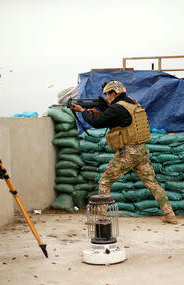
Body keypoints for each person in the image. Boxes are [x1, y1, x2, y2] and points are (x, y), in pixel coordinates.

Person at [72, 80, 177, 224]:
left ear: (114, 93)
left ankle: (101, 217)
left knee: (105, 181)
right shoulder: (132, 103)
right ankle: (170, 215)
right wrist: (98, 113)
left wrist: (83, 112)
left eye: (107, 95)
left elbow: (98, 123)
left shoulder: (117, 108)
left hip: (128, 152)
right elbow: (117, 121)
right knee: (152, 183)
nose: (106, 98)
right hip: (141, 150)